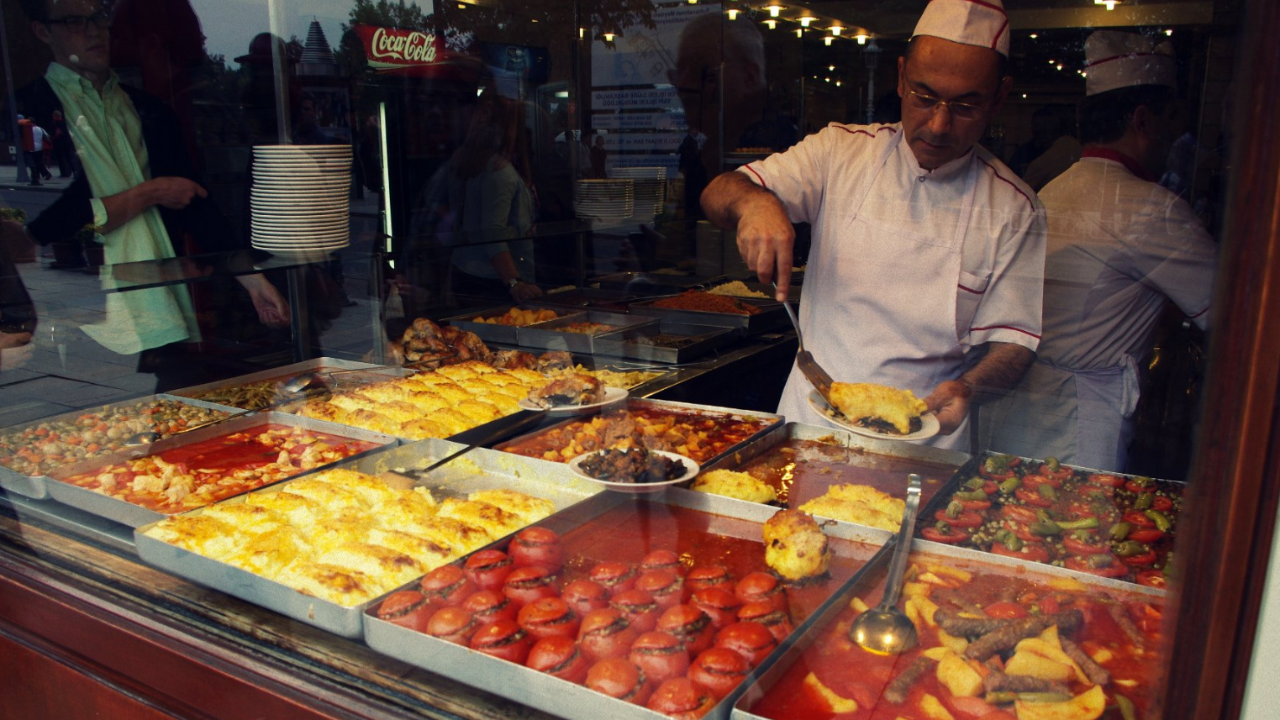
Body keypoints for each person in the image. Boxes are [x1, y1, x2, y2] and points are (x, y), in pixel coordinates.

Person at [701, 0, 1046, 451]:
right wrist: (754, 202)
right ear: (901, 78)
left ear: (999, 98)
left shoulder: (1016, 208)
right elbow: (717, 193)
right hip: (810, 426)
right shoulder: (839, 153)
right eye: (925, 98)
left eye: (964, 106)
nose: (939, 125)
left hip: (923, 443)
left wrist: (971, 388)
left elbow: (1013, 344)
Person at [16, 0, 289, 390]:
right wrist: (150, 193)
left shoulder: (144, 107)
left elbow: (194, 202)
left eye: (99, 18)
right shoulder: (29, 109)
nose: (93, 31)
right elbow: (41, 229)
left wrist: (252, 280)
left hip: (160, 310)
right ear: (43, 31)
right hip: (83, 316)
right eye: (76, 21)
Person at [981, 31, 1218, 472]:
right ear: (1144, 121)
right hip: (1078, 419)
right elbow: (1230, 314)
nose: (1176, 135)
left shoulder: (1055, 186)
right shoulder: (1152, 209)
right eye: (1171, 119)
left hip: (1014, 409)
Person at [17, 115, 53, 185]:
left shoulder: (28, 129)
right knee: (39, 161)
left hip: (30, 148)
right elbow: (47, 137)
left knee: (33, 163)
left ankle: (41, 174)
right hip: (40, 147)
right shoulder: (40, 128)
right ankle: (39, 175)